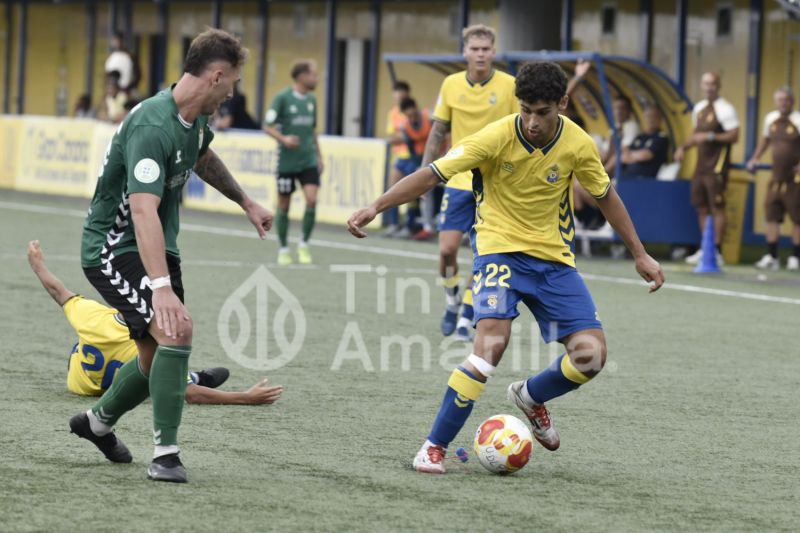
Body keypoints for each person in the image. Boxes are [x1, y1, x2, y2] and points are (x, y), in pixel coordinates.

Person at [347, 61, 664, 474]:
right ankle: (433, 446)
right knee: (490, 346)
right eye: (526, 110)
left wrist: (639, 253)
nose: (532, 122)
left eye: (543, 112)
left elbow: (606, 197)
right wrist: (376, 205)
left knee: (591, 356)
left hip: (553, 261)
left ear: (563, 104)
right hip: (499, 253)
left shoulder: (579, 144)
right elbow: (431, 175)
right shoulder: (496, 136)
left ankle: (530, 396)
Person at [71, 28, 274, 483]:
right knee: (175, 330)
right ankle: (165, 456)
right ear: (217, 75)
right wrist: (161, 289)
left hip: (159, 247)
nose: (233, 92)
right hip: (113, 246)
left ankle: (97, 423)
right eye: (234, 82)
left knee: (151, 357)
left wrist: (246, 202)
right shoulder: (151, 124)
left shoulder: (194, 119)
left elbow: (202, 158)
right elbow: (142, 211)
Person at [27, 241, 283, 405]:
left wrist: (38, 266)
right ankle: (192, 376)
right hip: (124, 384)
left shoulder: (91, 315)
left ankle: (190, 375)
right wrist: (247, 398)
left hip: (77, 386)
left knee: (81, 343)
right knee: (156, 373)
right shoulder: (152, 341)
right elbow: (189, 395)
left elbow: (58, 292)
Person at [420, 24, 517, 343]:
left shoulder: (509, 86)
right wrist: (423, 175)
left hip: (494, 184)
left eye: (485, 49)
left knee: (483, 253)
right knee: (447, 250)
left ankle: (466, 314)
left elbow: (521, 128)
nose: (480, 54)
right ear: (465, 52)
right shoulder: (450, 85)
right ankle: (451, 302)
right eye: (474, 49)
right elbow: (437, 131)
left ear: (493, 52)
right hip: (459, 177)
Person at [674, 72, 740, 266]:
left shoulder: (726, 109)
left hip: (717, 167)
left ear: (718, 86)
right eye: (706, 84)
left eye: (712, 84)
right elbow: (696, 135)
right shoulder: (700, 108)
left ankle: (717, 251)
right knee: (701, 207)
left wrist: (711, 137)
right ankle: (705, 247)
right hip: (700, 167)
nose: (709, 87)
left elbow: (734, 136)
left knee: (717, 207)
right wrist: (683, 147)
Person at [263, 60, 323, 266]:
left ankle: (304, 244)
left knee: (312, 200)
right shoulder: (282, 98)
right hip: (287, 163)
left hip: (308, 160)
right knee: (284, 206)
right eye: (314, 75)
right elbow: (267, 126)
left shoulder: (312, 100)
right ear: (302, 77)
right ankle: (283, 248)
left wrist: (320, 156)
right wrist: (284, 139)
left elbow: (313, 131)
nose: (317, 78)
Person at [747, 87, 800, 271]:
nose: (783, 103)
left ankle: (795, 257)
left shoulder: (798, 119)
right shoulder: (770, 119)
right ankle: (772, 255)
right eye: (779, 100)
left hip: (795, 179)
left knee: (797, 218)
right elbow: (765, 140)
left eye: (786, 100)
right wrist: (755, 158)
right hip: (776, 177)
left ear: (792, 101)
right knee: (771, 215)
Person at [384, 96, 433, 238]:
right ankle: (394, 224)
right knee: (394, 187)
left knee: (417, 191)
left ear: (416, 109)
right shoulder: (405, 125)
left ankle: (419, 226)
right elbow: (400, 142)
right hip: (413, 159)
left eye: (412, 114)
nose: (411, 118)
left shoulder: (428, 118)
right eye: (408, 115)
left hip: (431, 159)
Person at [620, 106, 668, 178]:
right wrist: (635, 156)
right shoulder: (640, 137)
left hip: (645, 179)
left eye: (654, 116)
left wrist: (631, 155)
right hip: (627, 176)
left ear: (660, 119)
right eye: (648, 116)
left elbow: (646, 155)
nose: (651, 120)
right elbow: (623, 157)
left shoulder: (661, 138)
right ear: (644, 118)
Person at [602, 95, 641, 175]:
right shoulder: (614, 127)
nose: (618, 112)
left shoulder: (632, 126)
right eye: (616, 108)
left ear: (629, 111)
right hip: (610, 160)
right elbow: (607, 151)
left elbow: (623, 149)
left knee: (615, 156)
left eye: (622, 108)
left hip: (624, 163)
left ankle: (597, 178)